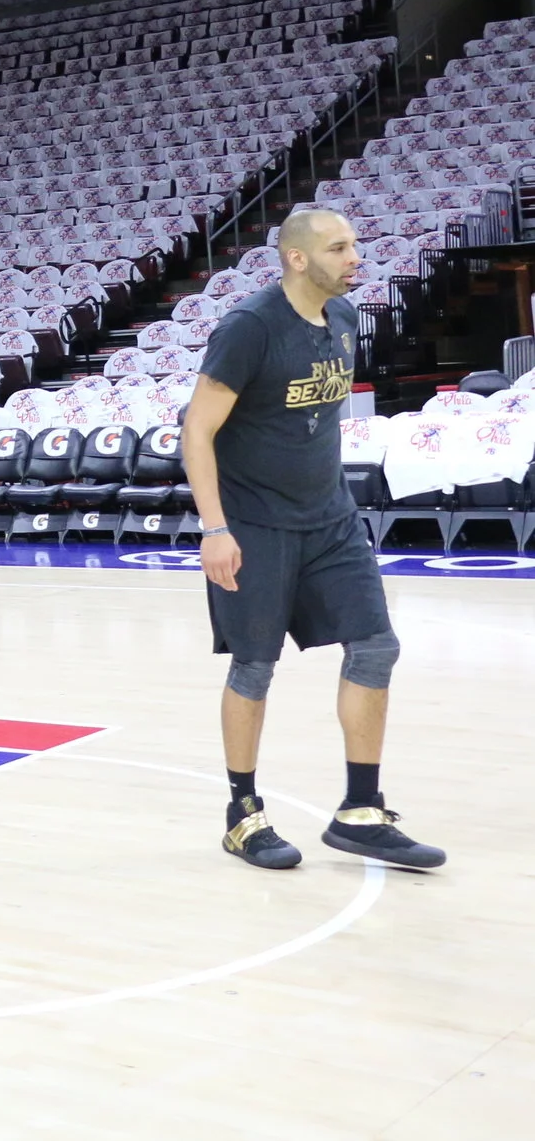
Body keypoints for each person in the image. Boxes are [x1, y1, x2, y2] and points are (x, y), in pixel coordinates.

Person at [182, 207, 444, 871]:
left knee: (377, 646)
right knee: (255, 665)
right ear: (298, 258)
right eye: (338, 247)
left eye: (354, 244)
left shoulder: (346, 318)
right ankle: (243, 814)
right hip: (254, 524)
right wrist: (215, 528)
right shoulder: (250, 328)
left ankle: (361, 810)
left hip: (330, 518)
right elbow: (197, 430)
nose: (355, 257)